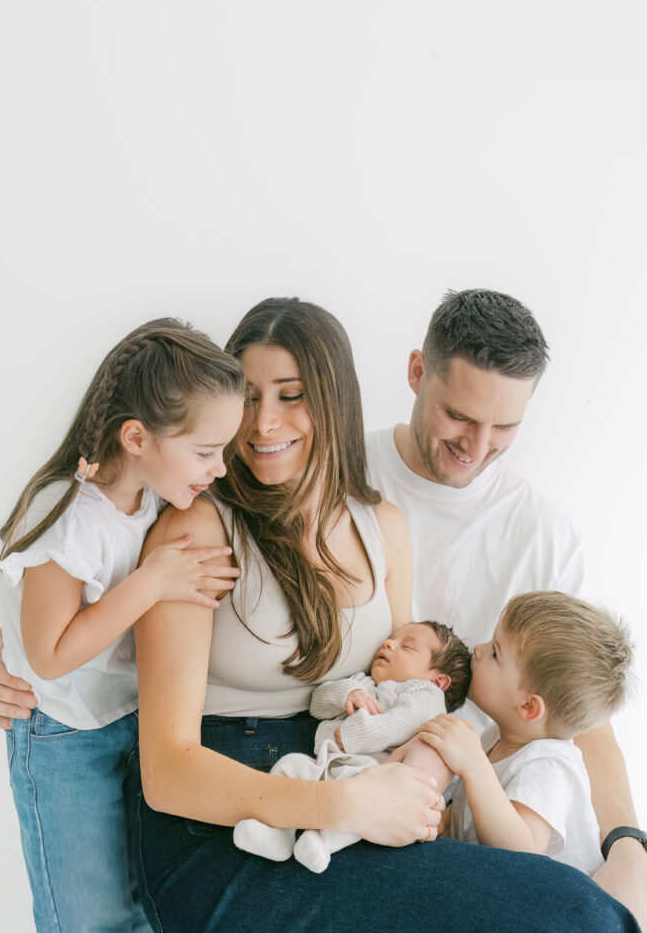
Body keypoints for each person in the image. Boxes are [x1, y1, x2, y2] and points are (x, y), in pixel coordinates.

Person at [124, 297, 636, 933]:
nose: (263, 424)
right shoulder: (198, 527)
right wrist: (34, 651)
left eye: (290, 395)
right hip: (230, 818)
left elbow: (423, 686)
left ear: (334, 397)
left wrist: (628, 843)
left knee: (573, 906)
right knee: (571, 916)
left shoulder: (379, 525)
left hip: (355, 779)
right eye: (249, 398)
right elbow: (166, 769)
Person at [364, 289, 647, 920]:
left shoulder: (542, 535)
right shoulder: (346, 475)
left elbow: (579, 713)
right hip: (360, 790)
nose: (478, 445)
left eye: (506, 426)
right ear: (416, 372)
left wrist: (629, 846)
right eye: (460, 416)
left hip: (464, 843)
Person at [0, 318, 245, 933]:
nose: (218, 467)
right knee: (88, 916)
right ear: (137, 437)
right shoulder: (70, 517)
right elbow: (48, 655)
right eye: (206, 451)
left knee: (143, 910)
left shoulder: (158, 496)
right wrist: (152, 582)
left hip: (130, 725)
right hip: (65, 737)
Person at [414, 591, 633, 876]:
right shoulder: (498, 736)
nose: (478, 650)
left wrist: (474, 766)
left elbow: (522, 852)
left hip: (556, 907)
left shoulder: (551, 766)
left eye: (495, 652)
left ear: (528, 707)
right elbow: (469, 814)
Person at [233, 620, 471, 872]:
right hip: (327, 762)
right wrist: (347, 694)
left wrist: (350, 736)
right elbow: (317, 705)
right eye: (392, 639)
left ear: (438, 681)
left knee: (358, 812)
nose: (389, 643)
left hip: (374, 773)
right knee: (290, 765)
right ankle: (277, 835)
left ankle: (322, 842)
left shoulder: (425, 694)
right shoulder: (363, 683)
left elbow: (399, 723)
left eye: (407, 647)